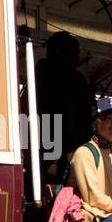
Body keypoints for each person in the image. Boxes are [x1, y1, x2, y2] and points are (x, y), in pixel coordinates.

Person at [34, 30, 92, 180]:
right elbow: (85, 113)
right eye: (74, 52)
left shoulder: (38, 75)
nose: (78, 57)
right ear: (59, 52)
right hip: (65, 146)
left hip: (45, 144)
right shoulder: (73, 78)